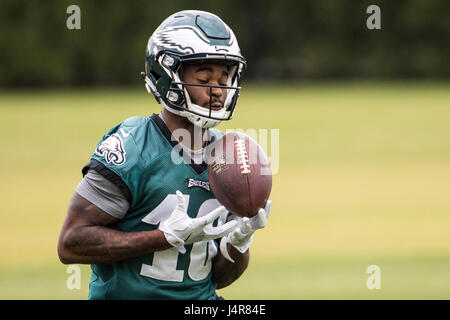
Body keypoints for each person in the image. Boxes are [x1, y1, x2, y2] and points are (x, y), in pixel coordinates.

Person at [57, 9, 271, 300]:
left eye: (224, 79)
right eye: (205, 78)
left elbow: (217, 279)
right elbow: (71, 244)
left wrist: (239, 242)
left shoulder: (229, 155)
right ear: (167, 73)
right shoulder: (134, 144)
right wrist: (162, 238)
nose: (218, 91)